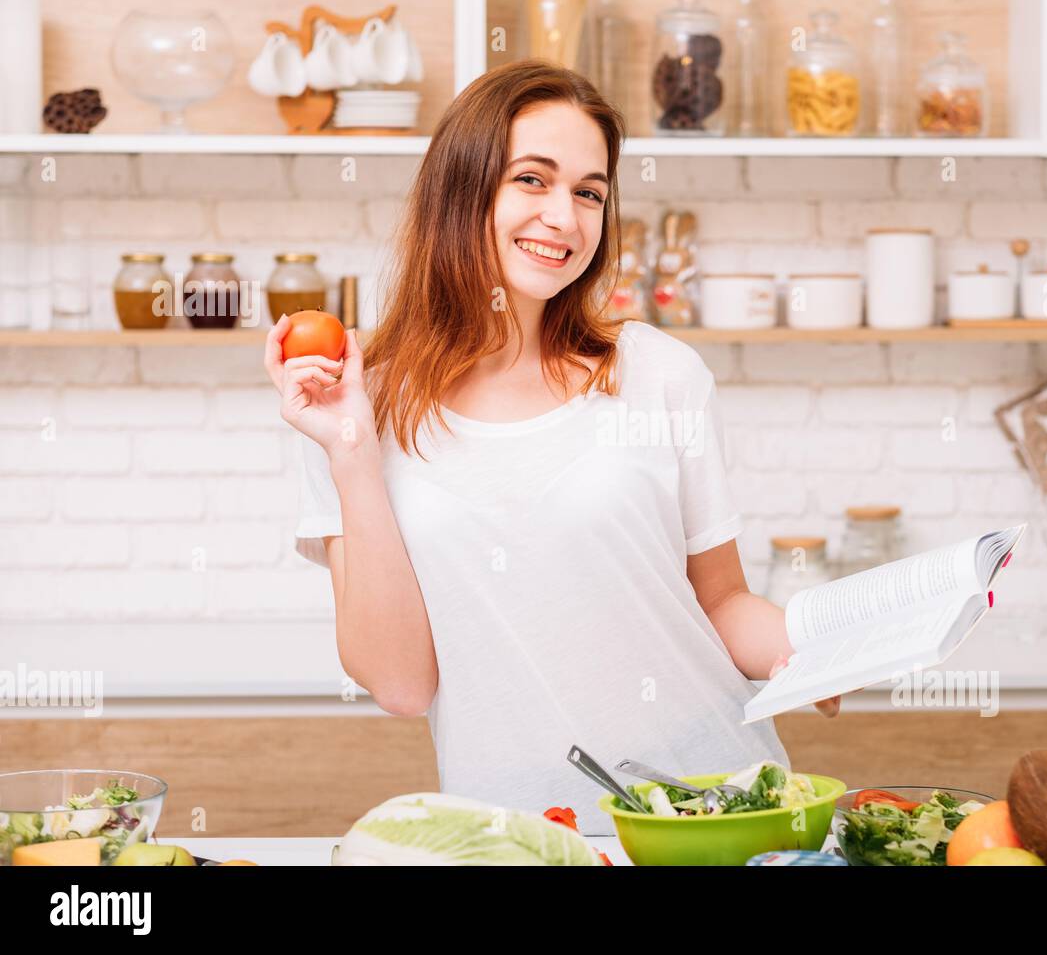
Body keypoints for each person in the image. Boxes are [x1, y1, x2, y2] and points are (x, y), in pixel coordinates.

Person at [264, 60, 837, 835]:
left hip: (716, 806)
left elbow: (723, 601)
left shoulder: (658, 373)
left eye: (589, 192)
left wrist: (812, 650)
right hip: (519, 834)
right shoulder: (356, 401)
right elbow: (400, 683)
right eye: (532, 180)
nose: (565, 218)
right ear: (461, 191)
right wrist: (352, 451)